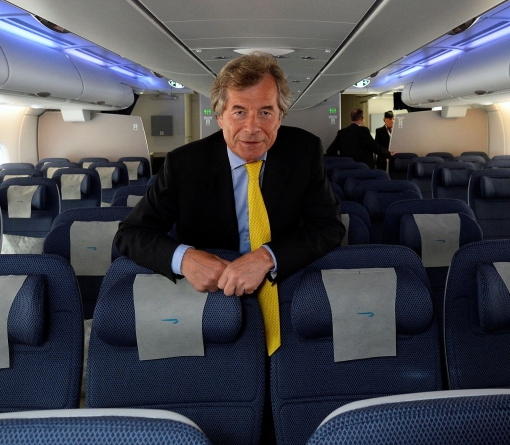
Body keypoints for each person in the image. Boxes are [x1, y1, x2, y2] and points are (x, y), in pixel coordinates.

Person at [114, 52, 344, 355]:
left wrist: (266, 257)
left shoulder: (304, 151)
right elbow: (130, 234)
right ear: (219, 115)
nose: (252, 127)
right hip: (209, 302)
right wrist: (184, 258)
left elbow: (328, 227)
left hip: (285, 290)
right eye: (238, 112)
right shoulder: (185, 165)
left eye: (265, 112)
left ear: (280, 115)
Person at [326, 108, 392, 169]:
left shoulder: (341, 133)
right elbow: (375, 147)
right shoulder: (363, 131)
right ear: (362, 119)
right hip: (364, 169)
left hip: (347, 169)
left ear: (350, 118)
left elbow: (330, 151)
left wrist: (342, 160)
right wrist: (389, 153)